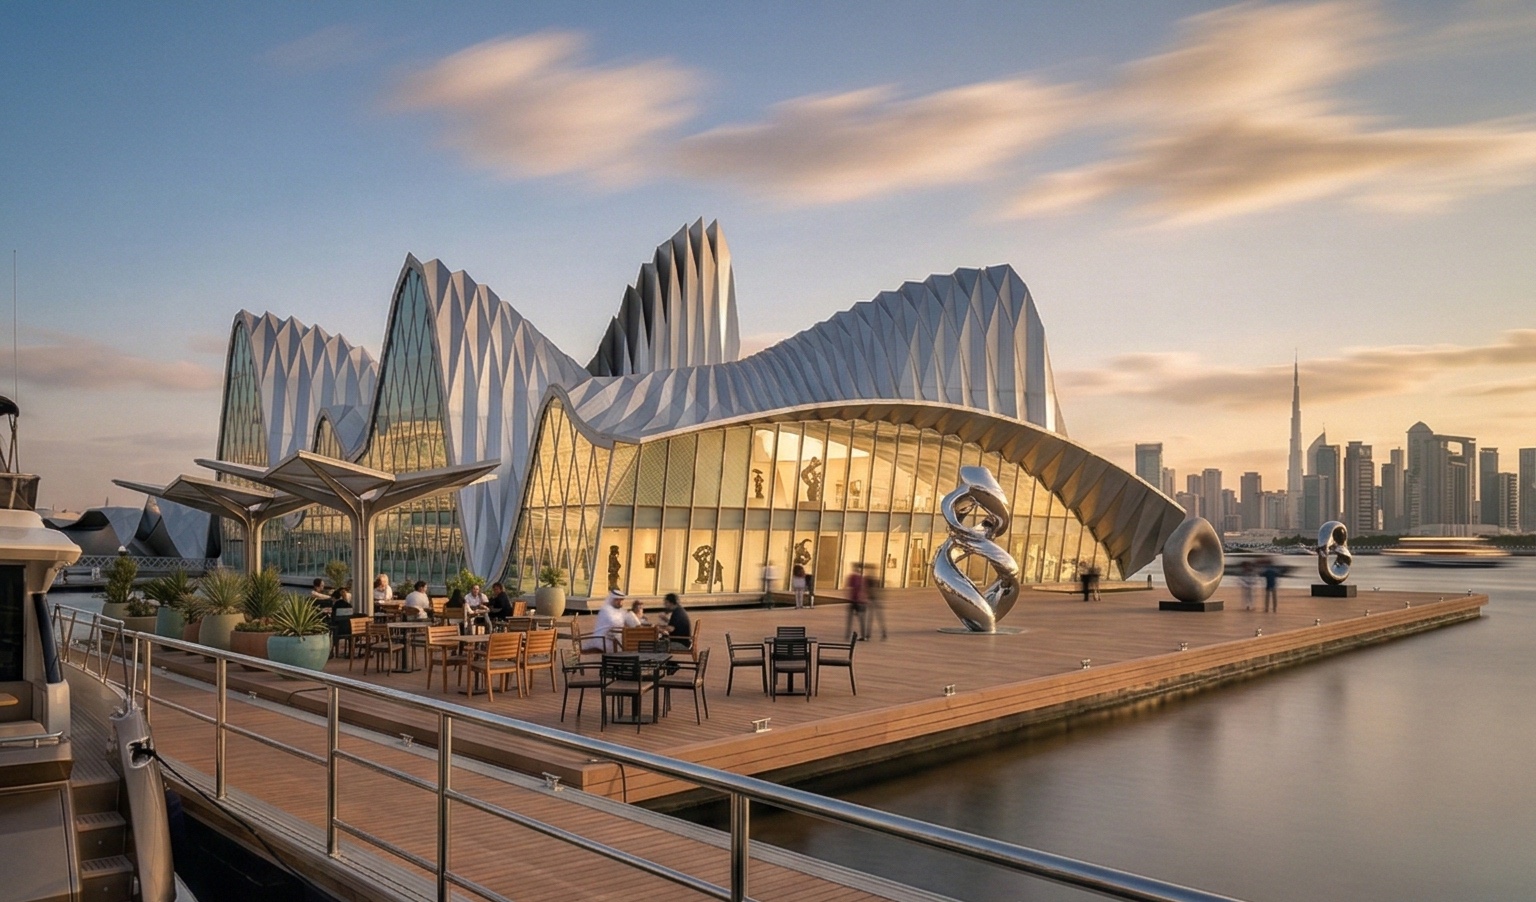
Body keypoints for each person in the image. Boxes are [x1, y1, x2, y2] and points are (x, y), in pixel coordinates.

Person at [845, 563, 868, 641]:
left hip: (855, 600)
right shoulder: (862, 578)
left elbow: (849, 588)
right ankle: (863, 635)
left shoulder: (853, 577)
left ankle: (848, 634)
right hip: (862, 601)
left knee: (850, 618)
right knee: (861, 619)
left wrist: (848, 597)